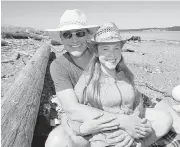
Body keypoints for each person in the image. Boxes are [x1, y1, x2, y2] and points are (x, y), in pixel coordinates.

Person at [45, 9, 179, 147]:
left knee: (167, 116)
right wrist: (125, 122)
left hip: (120, 105)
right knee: (56, 140)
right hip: (90, 116)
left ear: (87, 35)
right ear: (61, 38)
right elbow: (71, 108)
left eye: (79, 33)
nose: (74, 39)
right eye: (67, 35)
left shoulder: (104, 53)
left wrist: (133, 119)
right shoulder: (59, 66)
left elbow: (128, 85)